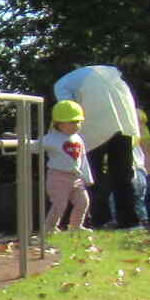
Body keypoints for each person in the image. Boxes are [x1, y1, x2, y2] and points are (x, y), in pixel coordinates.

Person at [53, 64, 142, 228]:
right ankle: (130, 221)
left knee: (93, 174)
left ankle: (99, 219)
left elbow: (68, 112)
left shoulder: (61, 84)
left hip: (94, 123)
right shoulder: (107, 72)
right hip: (124, 119)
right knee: (123, 173)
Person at [39, 99, 92, 233]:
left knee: (83, 202)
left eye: (79, 122)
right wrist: (19, 140)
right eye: (73, 122)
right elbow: (34, 146)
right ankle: (49, 227)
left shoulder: (78, 138)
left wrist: (87, 177)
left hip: (76, 177)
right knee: (59, 205)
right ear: (60, 124)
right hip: (58, 177)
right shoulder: (51, 138)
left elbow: (83, 158)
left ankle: (75, 226)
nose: (77, 125)